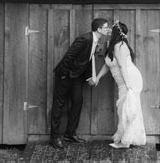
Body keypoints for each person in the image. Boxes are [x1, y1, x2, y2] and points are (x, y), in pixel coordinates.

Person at [49, 18, 110, 149]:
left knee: (77, 102)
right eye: (106, 27)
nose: (107, 29)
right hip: (65, 76)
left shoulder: (95, 40)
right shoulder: (85, 39)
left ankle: (69, 134)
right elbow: (69, 56)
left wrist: (89, 77)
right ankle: (54, 138)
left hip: (76, 78)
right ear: (99, 29)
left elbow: (87, 60)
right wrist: (66, 74)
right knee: (59, 104)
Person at [94, 21, 146, 148]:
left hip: (129, 79)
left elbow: (122, 66)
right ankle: (127, 138)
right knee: (123, 108)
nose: (110, 32)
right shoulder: (113, 46)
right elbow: (108, 64)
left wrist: (128, 85)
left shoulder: (120, 46)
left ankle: (125, 141)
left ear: (117, 32)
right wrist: (98, 77)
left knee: (126, 109)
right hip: (123, 81)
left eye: (112, 30)